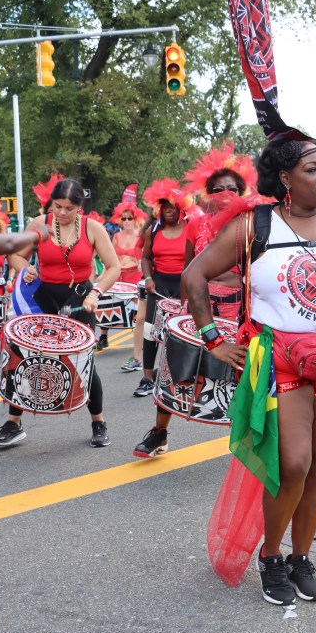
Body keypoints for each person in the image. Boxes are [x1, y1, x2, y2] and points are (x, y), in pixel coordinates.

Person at [182, 137, 316, 606]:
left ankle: (302, 557)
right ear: (284, 178)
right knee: (293, 463)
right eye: (312, 170)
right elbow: (194, 276)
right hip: (281, 362)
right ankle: (272, 556)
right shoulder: (253, 227)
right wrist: (213, 340)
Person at [0, 178, 121, 449]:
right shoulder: (39, 224)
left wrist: (96, 293)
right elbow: (14, 255)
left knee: (84, 363)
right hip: (43, 296)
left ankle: (98, 421)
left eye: (69, 208)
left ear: (79, 208)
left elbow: (113, 266)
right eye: (57, 206)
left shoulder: (92, 228)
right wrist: (27, 267)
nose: (62, 213)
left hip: (80, 298)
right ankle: (13, 423)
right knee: (24, 356)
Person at [131, 181, 196, 457]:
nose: (168, 211)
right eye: (164, 206)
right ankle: (148, 377)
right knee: (150, 332)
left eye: (173, 207)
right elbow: (146, 257)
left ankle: (180, 381)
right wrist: (147, 278)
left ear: (181, 208)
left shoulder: (193, 227)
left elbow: (198, 261)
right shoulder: (153, 229)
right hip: (158, 286)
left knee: (178, 341)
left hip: (183, 287)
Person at [183, 141, 258, 321]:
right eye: (219, 190)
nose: (226, 194)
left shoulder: (251, 225)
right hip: (199, 304)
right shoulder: (195, 225)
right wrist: (183, 307)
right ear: (209, 194)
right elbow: (187, 269)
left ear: (241, 192)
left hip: (236, 306)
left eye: (232, 189)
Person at [95, 202, 148, 372]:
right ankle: (103, 336)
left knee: (135, 313)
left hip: (134, 275)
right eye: (123, 218)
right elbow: (109, 259)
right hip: (118, 274)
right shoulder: (116, 237)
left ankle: (139, 346)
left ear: (135, 219)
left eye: (129, 218)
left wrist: (143, 269)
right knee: (107, 302)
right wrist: (100, 280)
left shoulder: (141, 236)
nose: (126, 221)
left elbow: (143, 258)